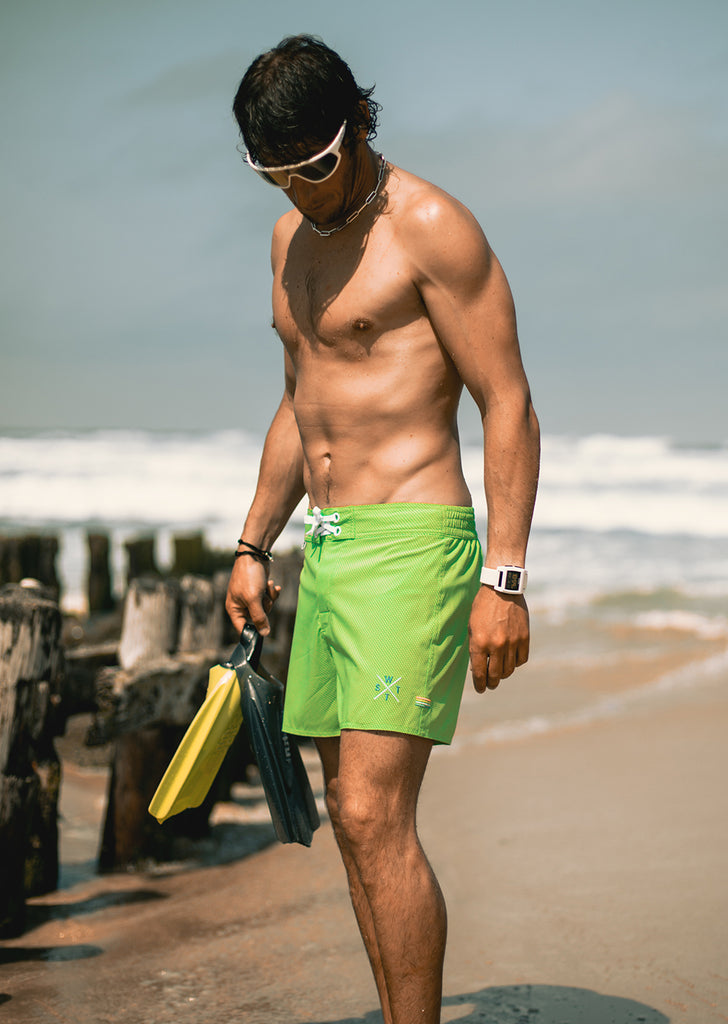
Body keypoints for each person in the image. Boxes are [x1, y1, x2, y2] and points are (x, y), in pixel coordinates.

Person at [226, 34, 540, 1024]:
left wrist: (503, 579)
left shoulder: (430, 227)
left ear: (357, 124)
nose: (299, 190)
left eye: (315, 166)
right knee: (352, 822)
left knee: (372, 811)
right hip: (328, 546)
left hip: (414, 541)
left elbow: (506, 401)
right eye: (274, 174)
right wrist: (252, 541)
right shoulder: (289, 240)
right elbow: (301, 400)